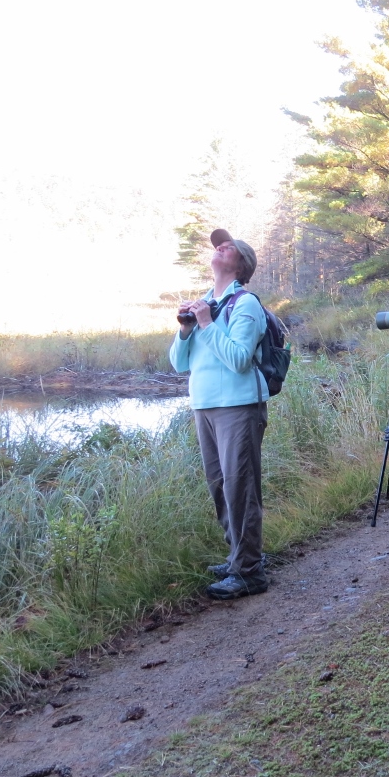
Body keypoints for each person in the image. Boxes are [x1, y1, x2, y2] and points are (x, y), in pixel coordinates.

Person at [170, 228, 271, 600]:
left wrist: (208, 323)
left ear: (242, 265)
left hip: (238, 405)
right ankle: (240, 556)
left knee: (239, 485)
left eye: (230, 247)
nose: (221, 247)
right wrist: (185, 330)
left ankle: (249, 572)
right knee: (219, 484)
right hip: (205, 404)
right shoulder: (203, 303)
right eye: (218, 246)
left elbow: (240, 360)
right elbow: (180, 363)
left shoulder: (244, 304)